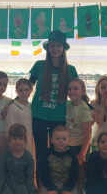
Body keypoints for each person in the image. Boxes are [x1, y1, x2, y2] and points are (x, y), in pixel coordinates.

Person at [29, 30, 78, 163]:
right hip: (39, 115)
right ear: (48, 48)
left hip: (59, 116)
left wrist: (89, 107)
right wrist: (15, 102)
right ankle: (41, 176)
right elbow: (28, 86)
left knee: (58, 150)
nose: (55, 49)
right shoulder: (39, 65)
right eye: (52, 45)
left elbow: (77, 92)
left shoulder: (71, 70)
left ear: (63, 48)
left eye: (58, 45)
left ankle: (56, 175)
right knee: (40, 151)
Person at [37, 125, 79, 194]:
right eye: (57, 138)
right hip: (50, 184)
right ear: (52, 140)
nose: (60, 141)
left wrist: (67, 188)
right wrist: (51, 187)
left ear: (68, 141)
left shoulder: (71, 155)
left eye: (64, 139)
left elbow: (75, 174)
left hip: (68, 185)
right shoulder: (46, 154)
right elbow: (43, 173)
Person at [5, 78, 35, 159]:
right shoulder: (13, 107)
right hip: (16, 143)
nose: (24, 93)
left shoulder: (30, 106)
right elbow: (9, 128)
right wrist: (12, 144)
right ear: (16, 92)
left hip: (28, 141)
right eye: (21, 90)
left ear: (31, 90)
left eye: (26, 90)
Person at [66, 78, 93, 163]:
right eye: (69, 89)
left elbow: (88, 134)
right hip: (67, 145)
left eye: (75, 89)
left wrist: (82, 153)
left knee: (79, 170)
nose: (72, 91)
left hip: (80, 147)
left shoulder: (84, 110)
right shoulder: (67, 104)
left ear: (83, 91)